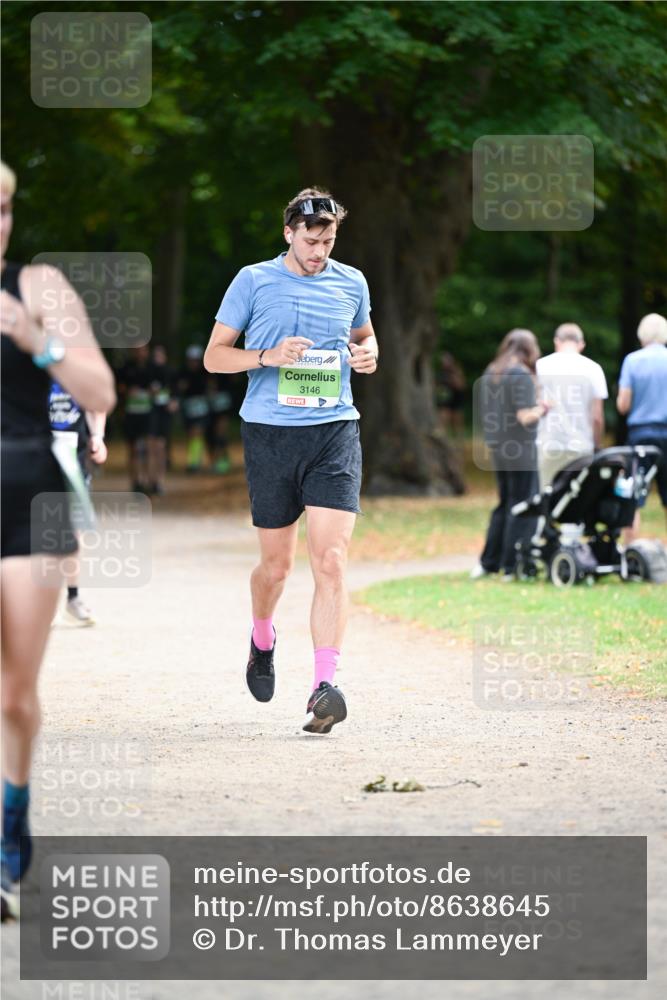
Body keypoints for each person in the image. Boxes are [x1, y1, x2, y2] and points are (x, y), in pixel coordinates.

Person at [204, 187, 378, 733]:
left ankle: (324, 687)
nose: (319, 251)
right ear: (288, 233)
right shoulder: (253, 280)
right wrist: (267, 356)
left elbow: (366, 338)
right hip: (270, 434)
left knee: (331, 561)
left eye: (328, 241)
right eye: (310, 240)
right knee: (276, 568)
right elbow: (213, 357)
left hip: (334, 431)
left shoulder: (352, 282)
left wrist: (369, 355)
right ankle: (262, 637)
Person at [1, 160, 115, 919]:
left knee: (14, 692)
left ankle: (12, 821)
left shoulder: (39, 286)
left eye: (4, 208)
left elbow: (100, 391)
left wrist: (33, 338)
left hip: (28, 496)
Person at [471, 328, 550, 580]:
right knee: (522, 504)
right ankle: (512, 564)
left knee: (504, 503)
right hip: (521, 448)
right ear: (530, 349)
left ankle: (489, 562)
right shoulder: (520, 374)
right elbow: (524, 416)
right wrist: (543, 408)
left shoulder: (493, 371)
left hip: (498, 446)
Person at [49, 379, 108, 624]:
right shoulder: (30, 365)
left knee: (75, 531)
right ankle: (46, 602)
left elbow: (97, 403)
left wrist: (98, 436)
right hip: (36, 454)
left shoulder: (76, 367)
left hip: (74, 458)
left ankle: (73, 597)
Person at [536, 323, 608, 489]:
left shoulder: (539, 366)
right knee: (577, 497)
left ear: (556, 341)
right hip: (581, 446)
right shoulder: (594, 369)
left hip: (547, 443)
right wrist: (597, 445)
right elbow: (597, 416)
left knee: (544, 495)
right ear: (581, 344)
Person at [616, 312, 667, 540]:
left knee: (633, 495)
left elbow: (623, 405)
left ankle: (631, 550)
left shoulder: (632, 361)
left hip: (641, 436)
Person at [116, 345, 153, 492]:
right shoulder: (125, 368)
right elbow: (118, 388)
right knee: (133, 449)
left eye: (143, 349)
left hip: (147, 414)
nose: (140, 353)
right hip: (131, 414)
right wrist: (127, 391)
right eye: (137, 350)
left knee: (147, 449)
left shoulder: (152, 368)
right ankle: (135, 481)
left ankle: (147, 480)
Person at [148, 343, 178, 495]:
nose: (158, 358)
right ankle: (149, 480)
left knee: (160, 447)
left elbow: (176, 394)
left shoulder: (170, 373)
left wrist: (174, 402)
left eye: (161, 355)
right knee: (150, 448)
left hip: (164, 415)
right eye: (156, 355)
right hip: (149, 414)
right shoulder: (147, 372)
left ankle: (159, 481)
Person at [178, 345, 209, 473]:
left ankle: (195, 461)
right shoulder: (183, 373)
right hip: (188, 407)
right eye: (191, 360)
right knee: (191, 434)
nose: (194, 363)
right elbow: (179, 389)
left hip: (201, 407)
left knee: (198, 432)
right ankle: (193, 459)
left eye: (196, 360)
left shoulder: (204, 373)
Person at [436, 351, 467, 439]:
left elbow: (461, 386)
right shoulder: (441, 373)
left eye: (447, 360)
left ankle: (460, 439)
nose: (445, 362)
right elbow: (437, 386)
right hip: (445, 398)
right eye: (443, 360)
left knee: (457, 421)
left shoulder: (456, 371)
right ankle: (443, 438)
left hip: (457, 397)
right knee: (444, 417)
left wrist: (453, 379)